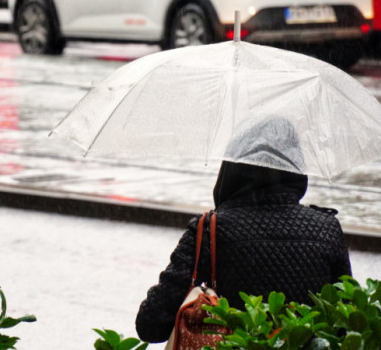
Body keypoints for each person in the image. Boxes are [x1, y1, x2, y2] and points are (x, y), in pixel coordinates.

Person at [135, 117, 352, 344]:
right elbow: (346, 321)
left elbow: (151, 325)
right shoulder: (327, 229)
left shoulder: (210, 230)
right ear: (295, 165)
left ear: (233, 164)